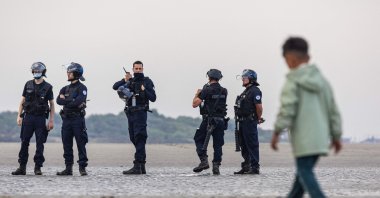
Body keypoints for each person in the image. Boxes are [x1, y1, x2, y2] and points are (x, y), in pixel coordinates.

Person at [271, 37, 342, 198]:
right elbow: (333, 110)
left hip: (304, 140)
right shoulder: (323, 82)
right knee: (300, 179)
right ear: (307, 57)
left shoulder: (292, 80)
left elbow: (287, 109)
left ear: (290, 59)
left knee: (305, 173)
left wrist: (276, 131)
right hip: (321, 139)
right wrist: (336, 135)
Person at [113, 60, 156, 174]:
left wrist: (144, 90)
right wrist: (125, 79)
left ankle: (138, 165)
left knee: (140, 137)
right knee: (133, 138)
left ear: (142, 69)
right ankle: (141, 166)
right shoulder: (130, 81)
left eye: (139, 69)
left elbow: (153, 98)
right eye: (136, 69)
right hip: (130, 113)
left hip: (141, 112)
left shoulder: (147, 81)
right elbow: (115, 87)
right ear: (132, 69)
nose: (138, 70)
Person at [12, 62, 55, 175]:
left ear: (43, 72)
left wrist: (51, 120)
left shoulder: (48, 87)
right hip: (28, 117)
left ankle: (38, 167)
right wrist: (19, 116)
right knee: (24, 142)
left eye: (38, 71)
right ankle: (22, 167)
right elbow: (22, 101)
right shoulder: (28, 84)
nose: (36, 73)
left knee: (40, 143)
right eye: (35, 71)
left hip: (40, 119)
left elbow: (52, 104)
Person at [192, 69, 228, 175]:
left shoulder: (206, 90)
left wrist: (197, 94)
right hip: (220, 121)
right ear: (219, 78)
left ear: (209, 77)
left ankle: (204, 161)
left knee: (198, 138)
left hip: (208, 120)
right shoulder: (224, 91)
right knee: (218, 144)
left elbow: (194, 104)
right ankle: (216, 166)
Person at [56, 62, 89, 176]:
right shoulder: (64, 88)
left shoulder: (82, 88)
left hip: (77, 120)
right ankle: (68, 168)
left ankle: (82, 168)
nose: (68, 74)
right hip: (66, 120)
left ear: (76, 73)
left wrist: (66, 100)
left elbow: (78, 102)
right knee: (66, 144)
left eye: (70, 72)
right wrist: (71, 101)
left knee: (81, 143)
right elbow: (58, 101)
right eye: (68, 72)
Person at [233, 69, 263, 175]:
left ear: (251, 78)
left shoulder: (255, 90)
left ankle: (255, 167)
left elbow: (259, 106)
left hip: (250, 121)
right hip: (242, 122)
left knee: (252, 144)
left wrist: (258, 118)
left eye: (244, 77)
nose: (242, 79)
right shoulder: (246, 91)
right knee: (244, 145)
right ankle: (246, 165)